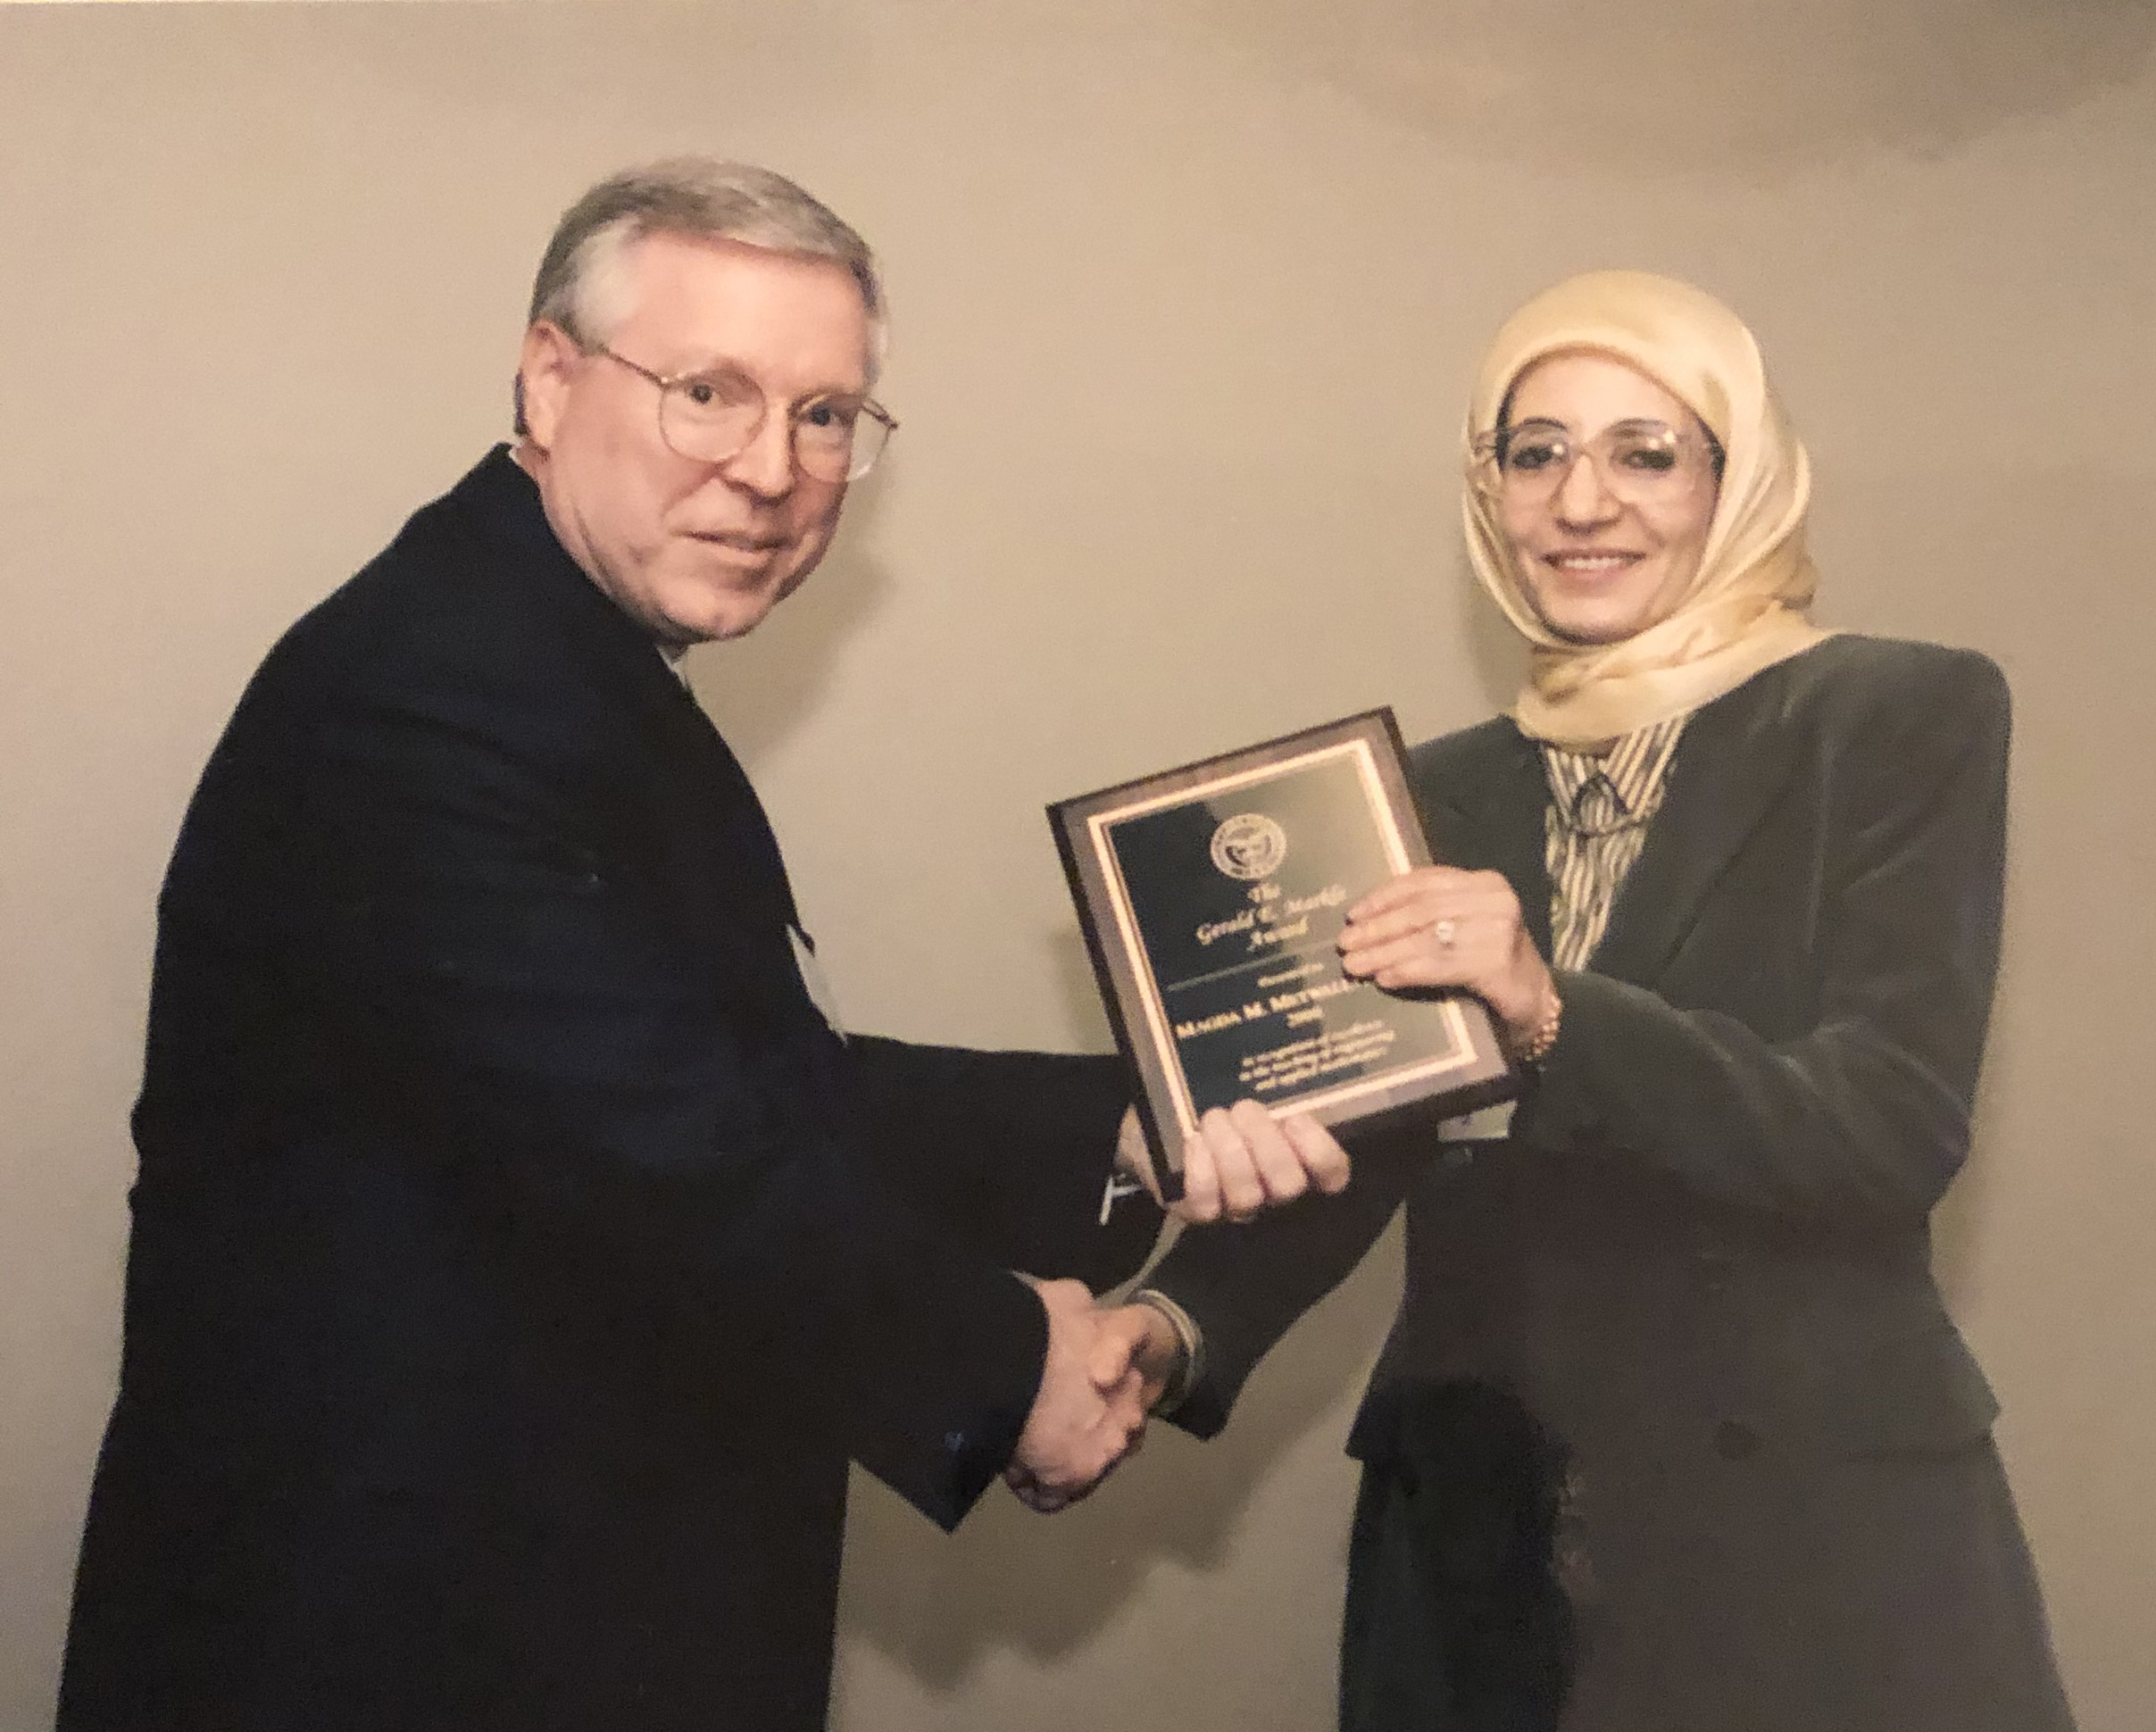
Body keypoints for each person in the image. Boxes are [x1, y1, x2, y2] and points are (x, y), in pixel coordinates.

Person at [56, 157, 1344, 1732]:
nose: (770, 470)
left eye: (825, 415)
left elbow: (743, 1082)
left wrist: (1137, 1122)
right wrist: (1011, 1367)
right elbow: (670, 1152)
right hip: (394, 1639)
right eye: (709, 394)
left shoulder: (555, 656)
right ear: (548, 381)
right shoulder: (431, 697)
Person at [1128, 271, 2077, 1731]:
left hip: (1812, 1546)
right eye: (1535, 453)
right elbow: (1365, 1130)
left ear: (1737, 481)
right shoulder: (1421, 792)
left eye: (1646, 452)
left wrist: (1546, 1009)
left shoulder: (1895, 716)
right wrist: (1167, 1330)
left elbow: (1886, 1127)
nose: (1582, 502)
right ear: (1487, 491)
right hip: (1481, 1547)